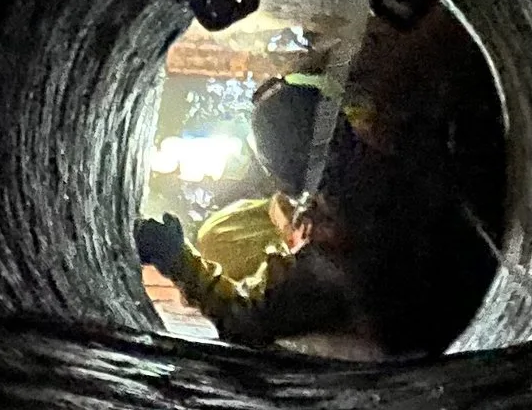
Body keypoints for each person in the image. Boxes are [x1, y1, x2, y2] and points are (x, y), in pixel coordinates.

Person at [137, 76, 380, 355]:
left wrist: (175, 258)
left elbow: (244, 318)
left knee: (216, 238)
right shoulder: (382, 149)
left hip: (370, 313)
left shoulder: (325, 248)